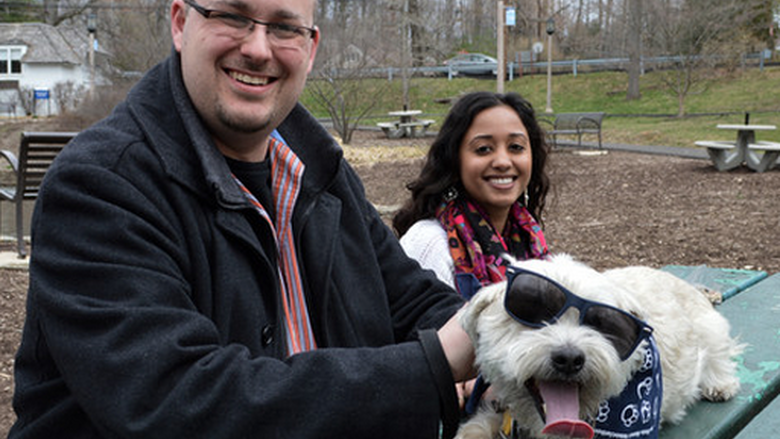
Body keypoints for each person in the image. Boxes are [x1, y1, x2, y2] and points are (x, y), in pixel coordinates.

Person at [9, 1, 474, 438]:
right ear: (178, 22)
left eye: (284, 27)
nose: (257, 48)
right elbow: (176, 403)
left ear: (310, 48)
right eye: (232, 15)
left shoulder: (319, 172)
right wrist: (431, 366)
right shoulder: (102, 185)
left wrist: (498, 341)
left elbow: (413, 302)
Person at [393, 91, 550, 293]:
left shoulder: (528, 239)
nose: (503, 161)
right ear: (454, 159)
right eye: (483, 149)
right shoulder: (430, 245)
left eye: (516, 147)